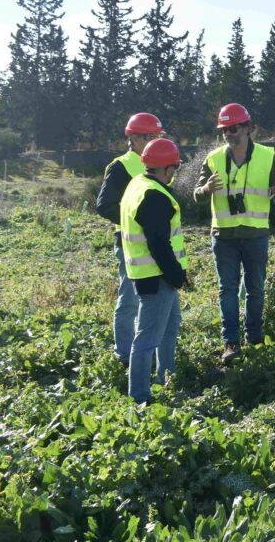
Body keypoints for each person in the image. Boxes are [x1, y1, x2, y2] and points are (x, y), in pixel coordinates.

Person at [193, 103, 275, 364]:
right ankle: (231, 343)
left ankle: (255, 339)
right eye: (224, 130)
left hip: (256, 235)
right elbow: (197, 195)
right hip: (223, 237)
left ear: (248, 128)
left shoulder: (267, 156)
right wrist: (205, 189)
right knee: (228, 290)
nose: (229, 134)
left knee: (256, 290)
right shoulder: (212, 159)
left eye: (233, 128)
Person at [121, 138, 188, 404]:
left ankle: (166, 377)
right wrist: (174, 275)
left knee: (170, 328)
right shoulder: (155, 195)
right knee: (147, 340)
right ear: (168, 169)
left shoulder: (137, 184)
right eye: (175, 169)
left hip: (152, 275)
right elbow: (159, 243)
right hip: (157, 277)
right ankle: (139, 397)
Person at [95, 112, 164, 366]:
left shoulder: (157, 164)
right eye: (150, 136)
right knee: (130, 297)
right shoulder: (121, 166)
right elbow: (104, 206)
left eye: (158, 136)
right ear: (134, 138)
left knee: (151, 296)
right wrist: (134, 219)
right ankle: (125, 354)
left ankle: (146, 348)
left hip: (155, 240)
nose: (155, 140)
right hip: (128, 240)